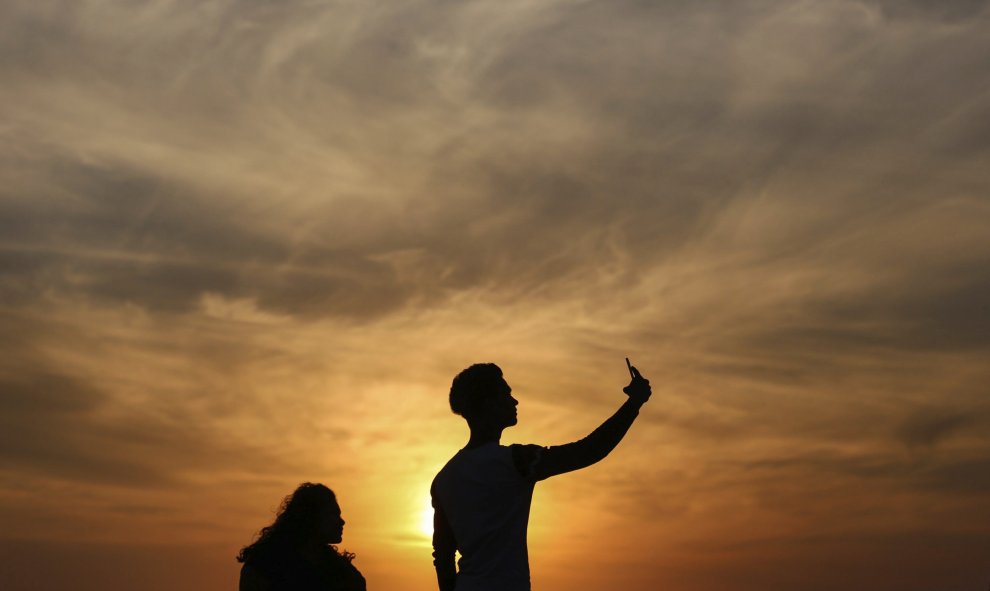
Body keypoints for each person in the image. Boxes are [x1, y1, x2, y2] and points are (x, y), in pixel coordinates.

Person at [430, 362, 652, 591]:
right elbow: (588, 451)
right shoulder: (516, 462)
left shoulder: (444, 479)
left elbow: (443, 556)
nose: (514, 401)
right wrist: (634, 403)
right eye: (506, 394)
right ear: (488, 404)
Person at [237, 483, 366, 591]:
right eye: (333, 514)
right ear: (311, 516)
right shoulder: (264, 566)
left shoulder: (343, 572)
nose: (342, 522)